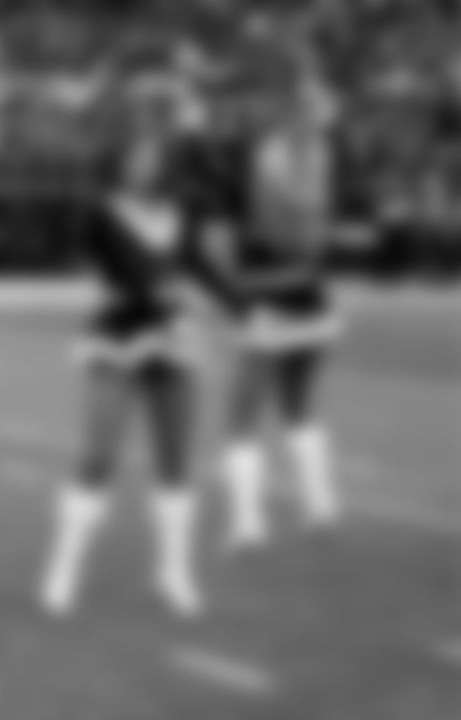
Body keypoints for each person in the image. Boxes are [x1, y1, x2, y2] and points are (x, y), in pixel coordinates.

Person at [40, 123, 229, 619]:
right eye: (135, 154)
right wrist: (176, 292)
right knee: (99, 456)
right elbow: (132, 271)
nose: (144, 163)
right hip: (117, 334)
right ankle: (64, 567)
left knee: (176, 461)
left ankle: (174, 571)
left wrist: (242, 304)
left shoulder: (180, 211)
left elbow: (202, 266)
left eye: (153, 154)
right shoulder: (99, 212)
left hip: (173, 336)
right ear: (118, 159)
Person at [217, 82, 343, 549]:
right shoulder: (320, 158)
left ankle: (248, 522)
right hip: (311, 296)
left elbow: (266, 231)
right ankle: (320, 504)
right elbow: (314, 238)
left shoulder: (270, 159)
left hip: (270, 295)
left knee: (241, 417)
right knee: (299, 407)